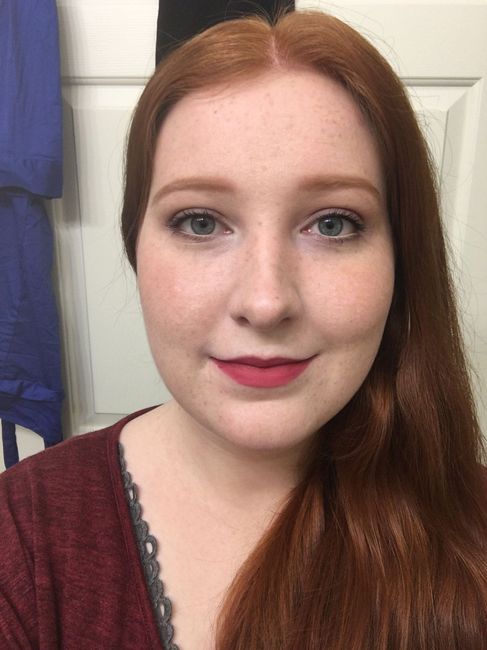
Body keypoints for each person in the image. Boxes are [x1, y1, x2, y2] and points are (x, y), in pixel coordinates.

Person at [1, 9, 487, 650]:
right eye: (201, 222)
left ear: (402, 258)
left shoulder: (471, 529)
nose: (265, 302)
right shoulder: (21, 537)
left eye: (333, 223)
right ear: (135, 246)